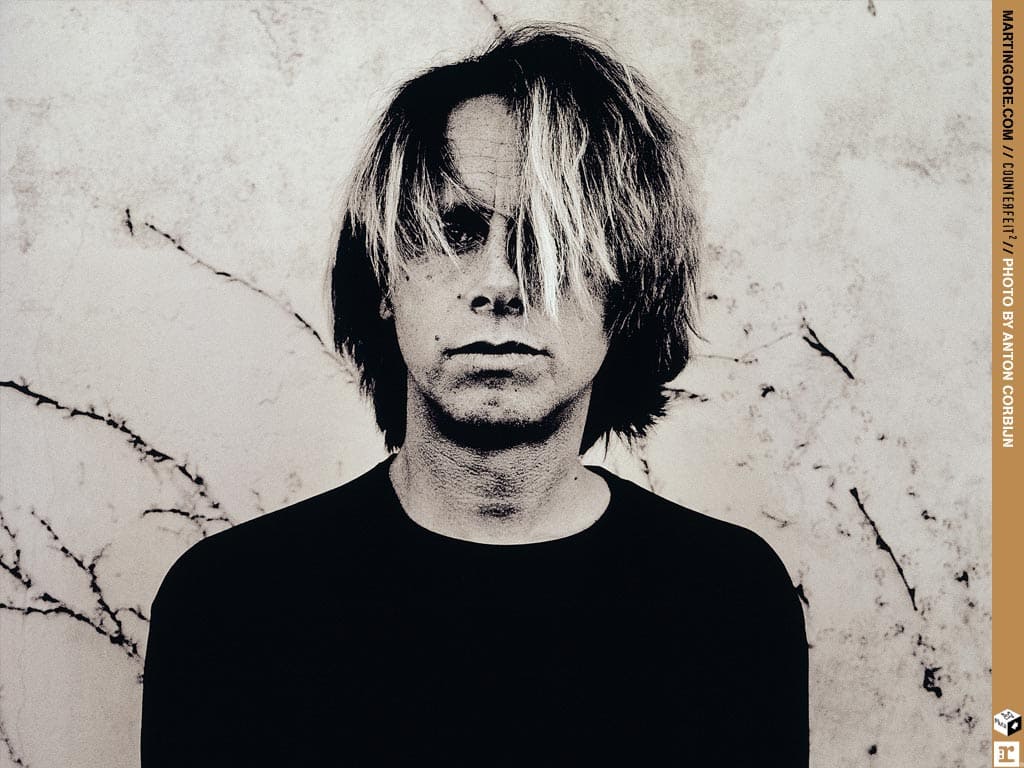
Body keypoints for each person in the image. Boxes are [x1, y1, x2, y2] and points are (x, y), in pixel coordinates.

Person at [141, 24, 808, 766]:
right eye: (455, 231)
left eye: (551, 240)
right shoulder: (234, 604)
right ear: (385, 281)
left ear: (627, 294)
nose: (499, 283)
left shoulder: (726, 601)